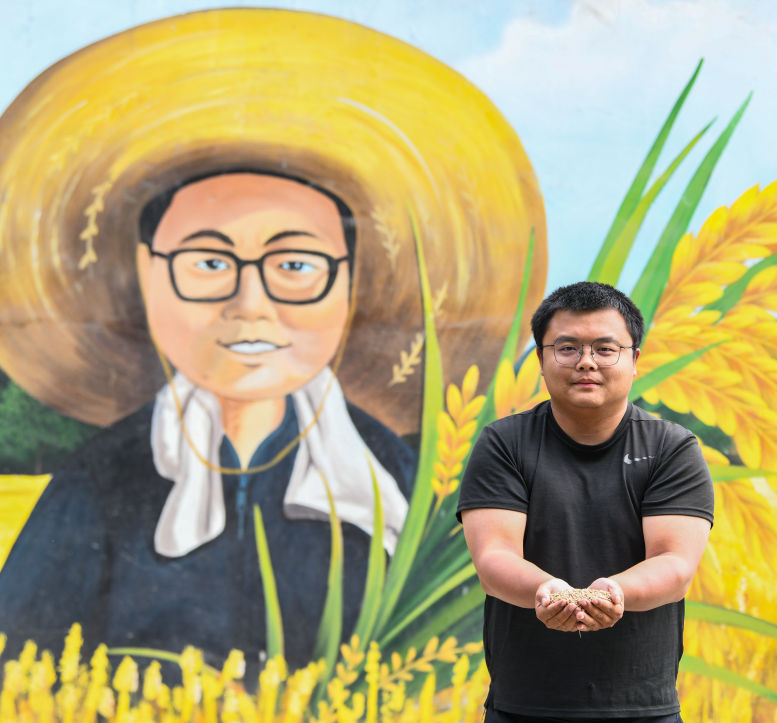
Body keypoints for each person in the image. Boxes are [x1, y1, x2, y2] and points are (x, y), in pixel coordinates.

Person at [0, 9, 546, 674]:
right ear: (147, 274)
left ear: (350, 283)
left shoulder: (393, 483)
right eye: (208, 262)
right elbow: (21, 673)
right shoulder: (99, 482)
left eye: (295, 265)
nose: (250, 306)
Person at [458, 282, 714, 722]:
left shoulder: (671, 448)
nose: (586, 362)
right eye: (567, 348)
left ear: (634, 360)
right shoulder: (504, 443)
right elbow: (494, 557)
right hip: (522, 706)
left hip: (642, 708)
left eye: (605, 349)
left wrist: (614, 593)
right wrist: (546, 591)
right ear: (541, 361)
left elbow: (675, 565)